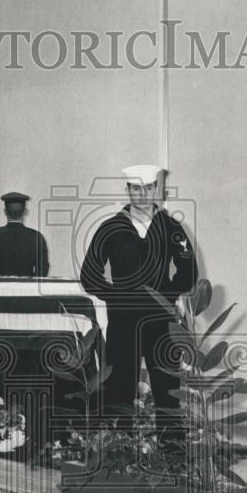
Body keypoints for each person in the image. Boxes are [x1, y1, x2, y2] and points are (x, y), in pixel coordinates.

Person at [80, 165, 198, 435]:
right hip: (123, 323)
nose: (143, 195)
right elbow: (89, 275)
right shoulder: (110, 228)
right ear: (127, 191)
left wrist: (165, 296)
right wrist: (117, 296)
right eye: (136, 188)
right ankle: (119, 457)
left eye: (148, 188)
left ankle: (173, 454)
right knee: (119, 391)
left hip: (162, 324)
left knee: (168, 392)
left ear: (157, 189)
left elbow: (190, 272)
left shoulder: (171, 227)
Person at [0, 192, 49, 277]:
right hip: (27, 289)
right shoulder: (37, 238)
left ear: (5, 212)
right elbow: (42, 271)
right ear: (25, 212)